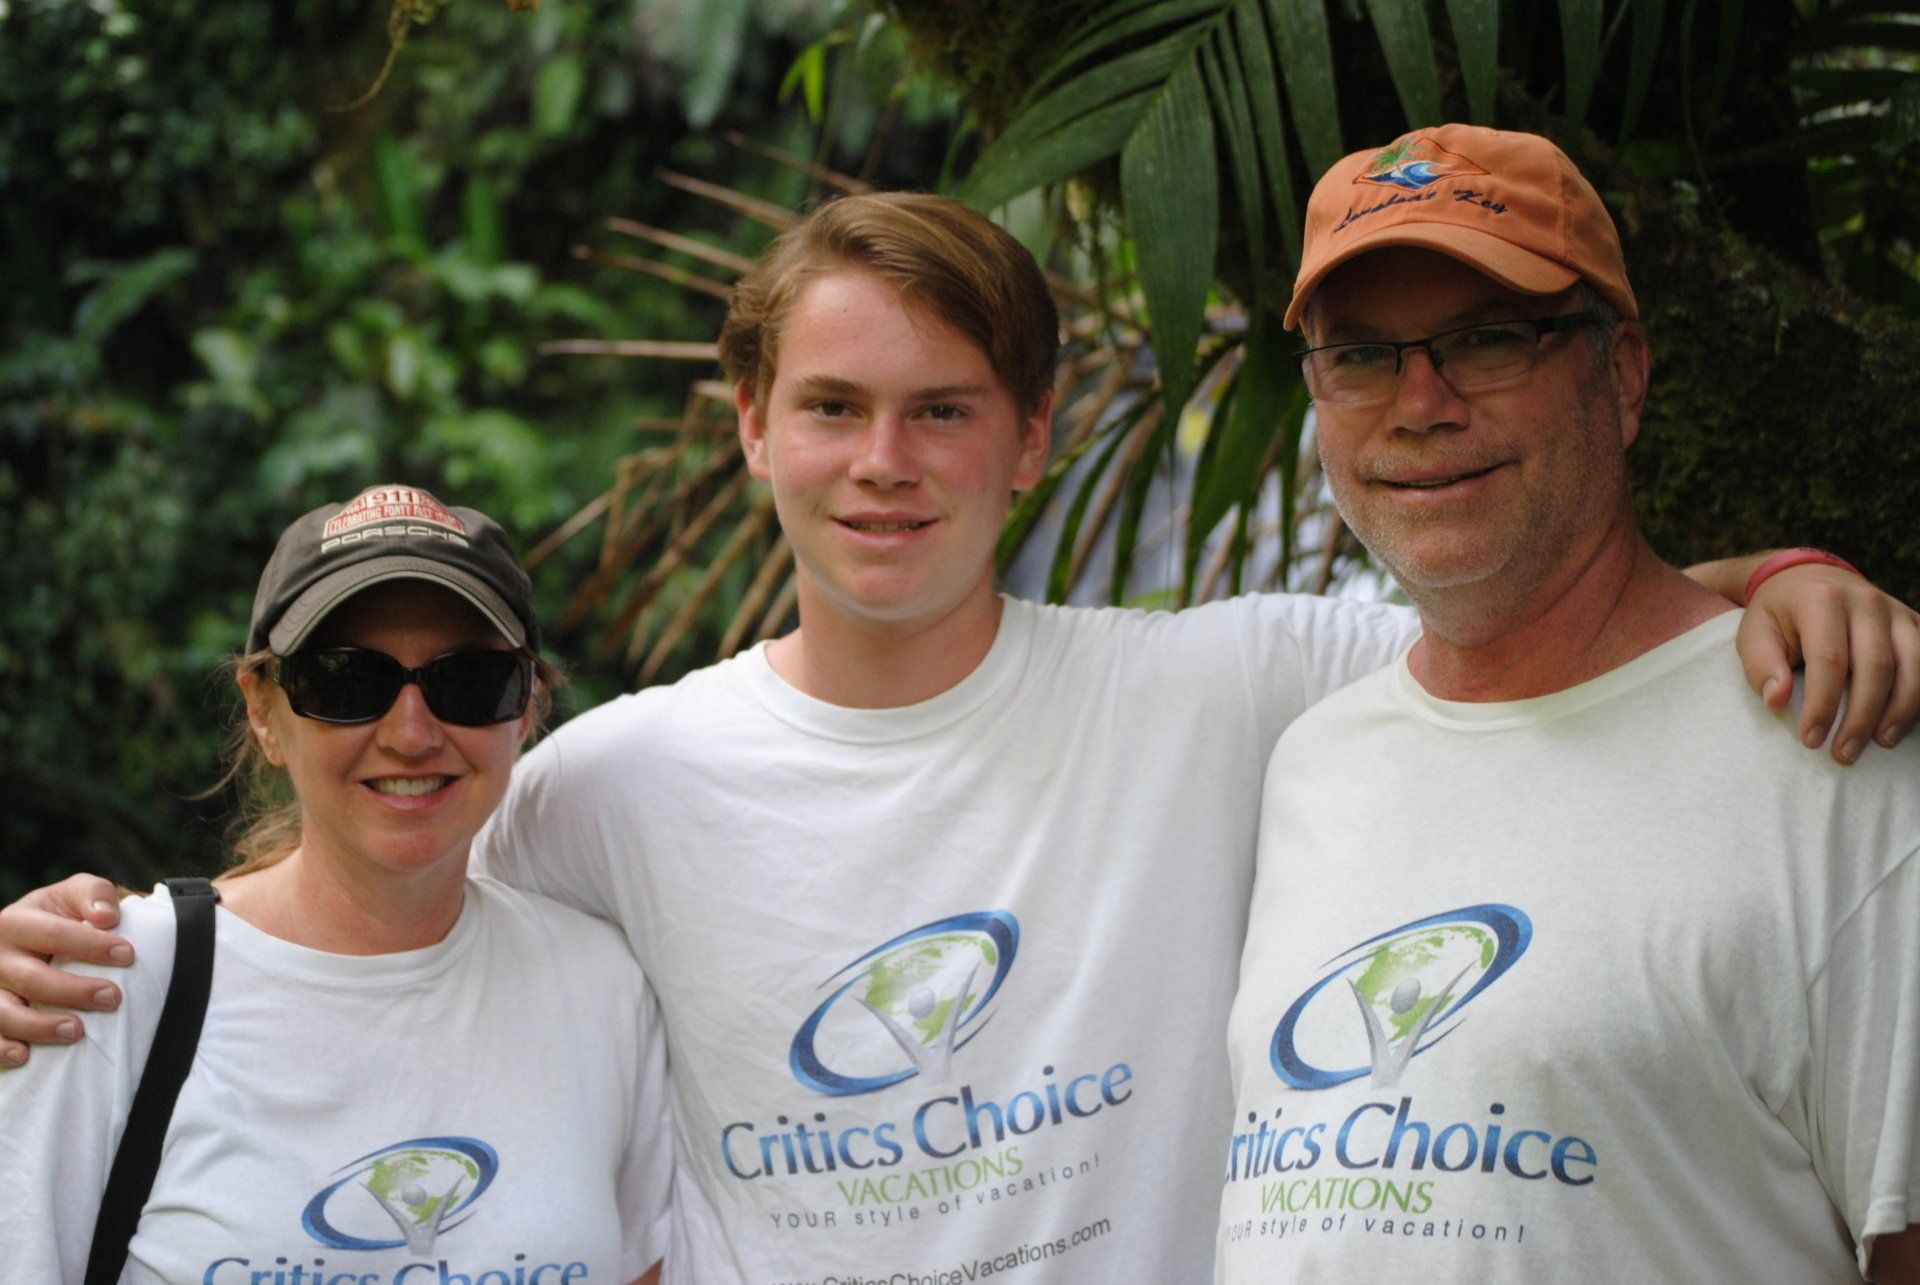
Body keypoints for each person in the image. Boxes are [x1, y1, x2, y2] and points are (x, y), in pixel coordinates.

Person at [3, 197, 1917, 1284]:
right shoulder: (603, 791)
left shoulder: (1237, 687)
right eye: (832, 405)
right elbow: (359, 914)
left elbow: (1545, 610)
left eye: (942, 408)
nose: (885, 466)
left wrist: (1790, 584)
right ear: (749, 423)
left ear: (1034, 429)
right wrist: (81, 951)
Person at [1215, 124, 1919, 1282]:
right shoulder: (1311, 755)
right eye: (1362, 356)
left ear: (1622, 373)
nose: (1419, 403)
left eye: (1487, 340)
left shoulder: (1835, 753)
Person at [0, 485, 672, 1283]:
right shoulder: (108, 982)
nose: (412, 733)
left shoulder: (603, 990)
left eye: (469, 681)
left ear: (528, 706)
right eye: (347, 681)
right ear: (262, 709)